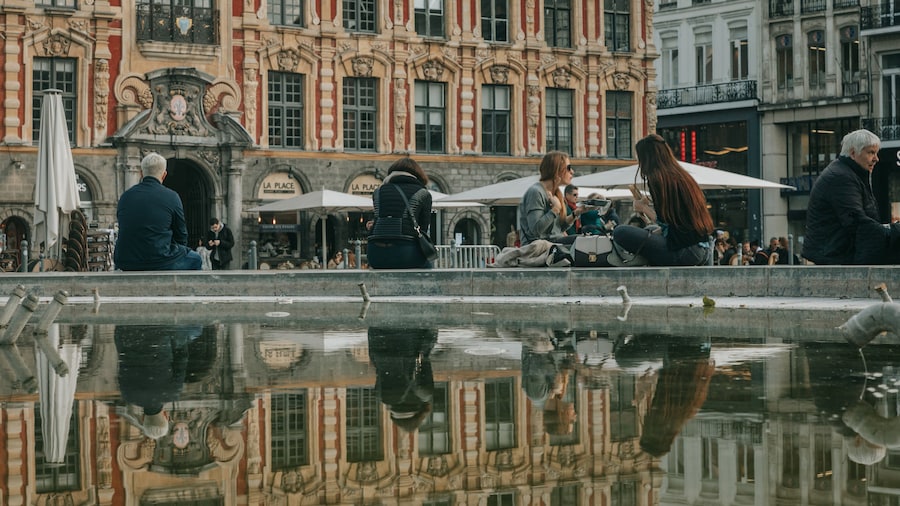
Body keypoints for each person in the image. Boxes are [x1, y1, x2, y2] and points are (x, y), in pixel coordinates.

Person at [612, 134, 714, 266]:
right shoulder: (682, 176)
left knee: (620, 232)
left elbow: (665, 222)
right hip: (703, 249)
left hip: (684, 251)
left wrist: (643, 208)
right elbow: (678, 224)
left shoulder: (658, 179)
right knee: (650, 228)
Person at [803, 129, 900, 265]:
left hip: (837, 252)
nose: (876, 159)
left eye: (876, 153)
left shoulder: (846, 173)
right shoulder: (841, 177)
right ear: (853, 153)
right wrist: (892, 231)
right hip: (837, 254)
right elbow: (856, 222)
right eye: (871, 152)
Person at [113, 152, 202, 271]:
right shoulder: (172, 197)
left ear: (141, 173)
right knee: (196, 259)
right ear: (164, 175)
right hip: (160, 260)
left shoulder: (125, 196)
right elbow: (181, 234)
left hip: (125, 261)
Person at [114, 324, 203, 440]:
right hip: (125, 332)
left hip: (160, 331)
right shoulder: (128, 396)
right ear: (143, 418)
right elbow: (121, 362)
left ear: (165, 415)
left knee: (196, 330)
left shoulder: (172, 393)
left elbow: (182, 356)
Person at [366, 157, 434, 269]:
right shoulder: (423, 193)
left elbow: (380, 218)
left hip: (375, 254)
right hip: (406, 253)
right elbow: (423, 230)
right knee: (428, 269)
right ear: (418, 175)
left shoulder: (378, 192)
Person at [367, 326, 438, 432]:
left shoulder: (423, 393)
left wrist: (432, 328)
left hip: (412, 332)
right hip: (380, 333)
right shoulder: (382, 396)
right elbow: (376, 362)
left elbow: (425, 358)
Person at [518, 152, 586, 247]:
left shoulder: (556, 193)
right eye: (568, 167)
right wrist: (555, 210)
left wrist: (576, 213)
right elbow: (535, 231)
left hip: (552, 246)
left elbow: (558, 229)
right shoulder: (536, 192)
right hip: (538, 250)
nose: (572, 172)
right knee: (583, 243)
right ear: (557, 170)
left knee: (588, 242)